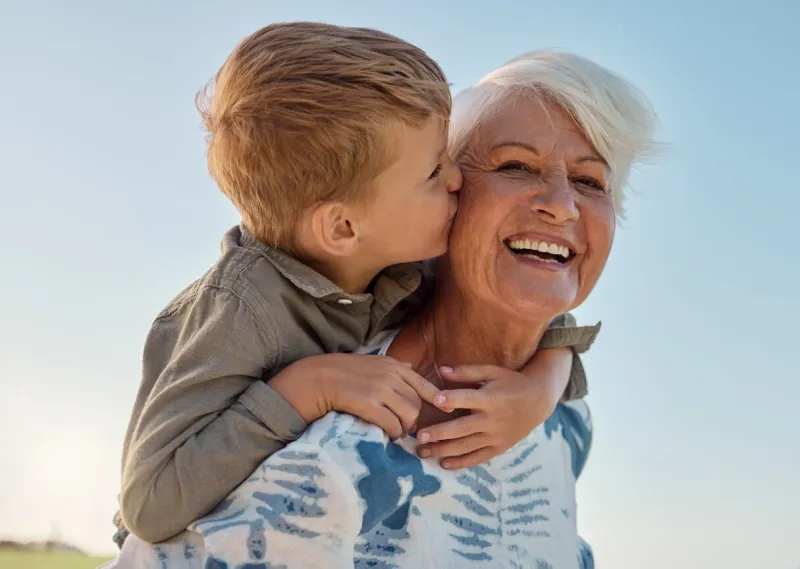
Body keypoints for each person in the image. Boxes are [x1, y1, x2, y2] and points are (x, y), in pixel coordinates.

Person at [104, 50, 658, 569]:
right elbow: (151, 513)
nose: (561, 205)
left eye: (590, 181)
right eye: (514, 166)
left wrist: (543, 386)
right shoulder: (315, 408)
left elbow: (545, 318)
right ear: (451, 206)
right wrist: (306, 387)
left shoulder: (567, 424)